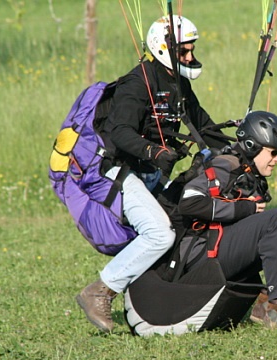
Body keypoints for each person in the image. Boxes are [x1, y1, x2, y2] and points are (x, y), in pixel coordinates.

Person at [76, 15, 229, 333]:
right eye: (184, 50)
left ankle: (164, 293)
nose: (190, 56)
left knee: (185, 218)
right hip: (117, 172)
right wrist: (153, 151)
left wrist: (238, 149)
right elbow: (119, 132)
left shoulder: (178, 84)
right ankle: (100, 290)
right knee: (160, 233)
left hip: (150, 175)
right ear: (163, 48)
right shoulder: (137, 83)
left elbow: (203, 127)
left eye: (192, 49)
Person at [177, 111, 277, 330]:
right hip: (203, 257)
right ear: (252, 146)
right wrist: (243, 208)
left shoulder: (250, 172)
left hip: (226, 247)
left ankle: (268, 301)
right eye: (273, 152)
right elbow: (188, 202)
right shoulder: (225, 166)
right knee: (274, 219)